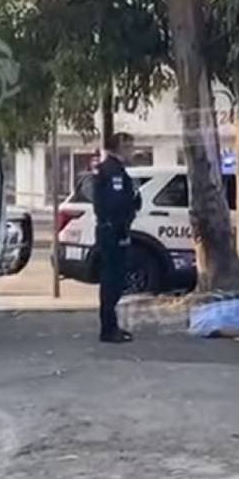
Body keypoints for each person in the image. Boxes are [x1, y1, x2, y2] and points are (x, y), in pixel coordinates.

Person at [93, 132, 143, 343]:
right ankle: (108, 329)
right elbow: (115, 204)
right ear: (119, 147)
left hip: (113, 229)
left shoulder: (115, 170)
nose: (132, 150)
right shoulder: (112, 171)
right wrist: (128, 212)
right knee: (112, 280)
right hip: (113, 230)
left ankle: (112, 326)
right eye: (129, 146)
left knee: (115, 279)